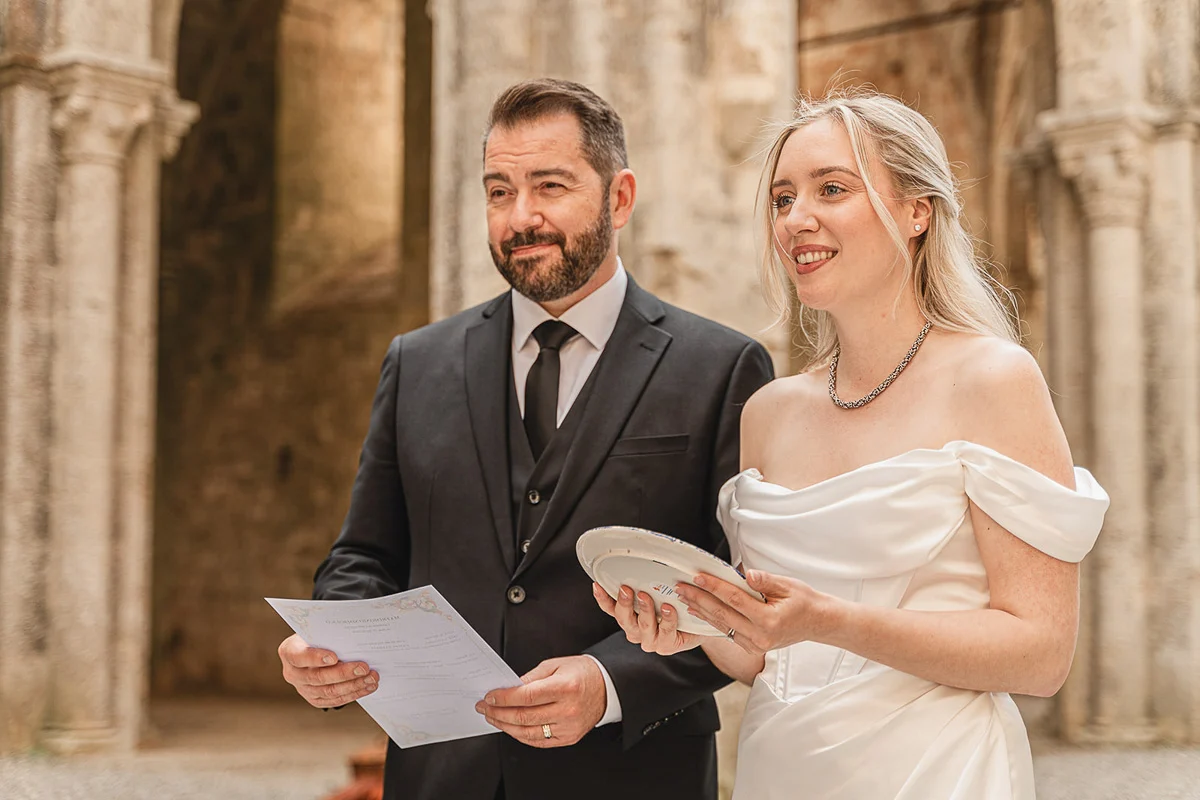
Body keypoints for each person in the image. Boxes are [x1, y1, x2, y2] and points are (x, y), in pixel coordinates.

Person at [596, 89, 1110, 799]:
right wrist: (688, 628)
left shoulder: (993, 380)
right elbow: (763, 655)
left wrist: (834, 621)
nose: (796, 219)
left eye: (831, 189)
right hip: (784, 769)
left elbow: (1041, 654)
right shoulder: (771, 412)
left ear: (916, 211)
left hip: (938, 773)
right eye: (781, 199)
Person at [276, 78, 774, 800]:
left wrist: (608, 684)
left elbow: (741, 598)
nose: (521, 217)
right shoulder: (418, 362)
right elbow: (365, 553)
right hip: (442, 776)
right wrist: (332, 643)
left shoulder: (721, 367)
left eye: (550, 186)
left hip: (631, 778)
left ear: (620, 197)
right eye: (498, 191)